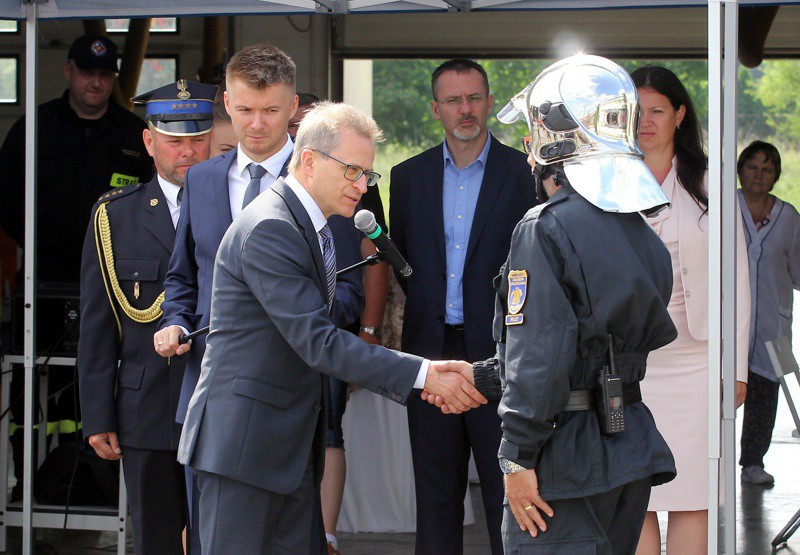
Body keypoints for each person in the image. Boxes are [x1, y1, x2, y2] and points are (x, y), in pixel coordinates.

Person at [176, 101, 487, 553]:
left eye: (367, 174)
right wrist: (424, 374)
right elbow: (317, 342)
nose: (362, 185)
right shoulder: (271, 227)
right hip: (244, 450)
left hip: (284, 447)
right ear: (309, 161)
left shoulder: (309, 225)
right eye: (352, 171)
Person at [429, 53, 680, 554]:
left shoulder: (545, 227)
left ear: (552, 141)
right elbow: (588, 346)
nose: (526, 149)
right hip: (624, 444)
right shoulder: (640, 232)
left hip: (564, 458)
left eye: (532, 132)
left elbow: (542, 356)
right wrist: (481, 376)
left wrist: (516, 458)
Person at [153, 44, 364, 554]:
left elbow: (351, 292)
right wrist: (176, 321)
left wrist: (294, 318)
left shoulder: (333, 176)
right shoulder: (202, 179)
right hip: (209, 393)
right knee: (210, 538)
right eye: (244, 109)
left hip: (288, 394)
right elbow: (183, 276)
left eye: (271, 110)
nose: (256, 124)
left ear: (294, 109)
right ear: (226, 103)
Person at [389, 58, 536, 554]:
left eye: (474, 98)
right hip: (429, 356)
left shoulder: (525, 175)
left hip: (502, 358)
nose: (465, 109)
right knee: (435, 495)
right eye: (454, 100)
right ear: (436, 109)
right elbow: (405, 263)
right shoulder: (407, 178)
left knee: (507, 494)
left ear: (491, 102)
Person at [0, 34, 153, 498]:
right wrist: (41, 242)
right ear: (69, 71)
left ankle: (93, 483)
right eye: (88, 73)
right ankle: (31, 482)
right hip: (44, 275)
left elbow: (151, 205)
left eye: (105, 75)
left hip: (113, 282)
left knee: (99, 375)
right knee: (32, 381)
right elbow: (6, 198)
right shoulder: (36, 127)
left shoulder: (132, 134)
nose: (96, 83)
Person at [77, 80, 217, 554]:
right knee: (155, 539)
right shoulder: (115, 217)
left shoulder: (246, 207)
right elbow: (97, 326)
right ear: (149, 141)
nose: (188, 152)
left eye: (198, 138)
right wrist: (97, 414)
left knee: (220, 538)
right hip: (147, 406)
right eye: (174, 141)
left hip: (220, 402)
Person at [632, 65, 750, 554]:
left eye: (657, 110)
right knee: (633, 492)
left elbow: (738, 283)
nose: (646, 121)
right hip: (628, 363)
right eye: (635, 112)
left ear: (679, 114)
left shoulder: (710, 180)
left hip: (698, 362)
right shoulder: (606, 181)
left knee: (692, 496)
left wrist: (736, 369)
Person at [737, 140, 800, 486]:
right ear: (740, 169)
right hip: (728, 320)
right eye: (752, 166)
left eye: (767, 169)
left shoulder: (788, 217)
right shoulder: (722, 207)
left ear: (776, 175)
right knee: (720, 391)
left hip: (773, 322)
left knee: (765, 390)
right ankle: (710, 460)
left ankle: (753, 462)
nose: (758, 175)